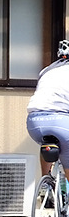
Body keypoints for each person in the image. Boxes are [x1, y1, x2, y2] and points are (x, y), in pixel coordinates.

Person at [26, 39, 69, 184]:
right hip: (60, 122)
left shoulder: (46, 70)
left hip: (34, 122)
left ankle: (46, 181)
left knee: (47, 142)